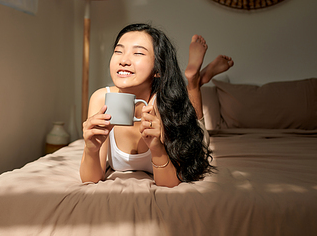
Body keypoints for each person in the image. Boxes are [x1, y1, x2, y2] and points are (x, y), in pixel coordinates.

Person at [80, 23, 234, 187]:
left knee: (198, 139)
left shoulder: (165, 102)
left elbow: (170, 182)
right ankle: (196, 80)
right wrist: (91, 149)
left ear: (157, 70)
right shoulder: (100, 99)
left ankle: (194, 81)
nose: (123, 60)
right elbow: (91, 180)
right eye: (118, 51)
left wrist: (156, 147)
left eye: (138, 53)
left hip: (190, 135)